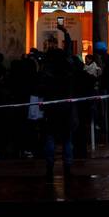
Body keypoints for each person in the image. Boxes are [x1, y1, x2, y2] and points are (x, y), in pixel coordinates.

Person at [38, 26, 78, 178]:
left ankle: (49, 165)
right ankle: (67, 165)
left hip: (51, 108)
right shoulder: (67, 72)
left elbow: (41, 88)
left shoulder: (47, 73)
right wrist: (66, 33)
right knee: (67, 139)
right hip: (66, 108)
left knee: (50, 137)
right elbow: (69, 52)